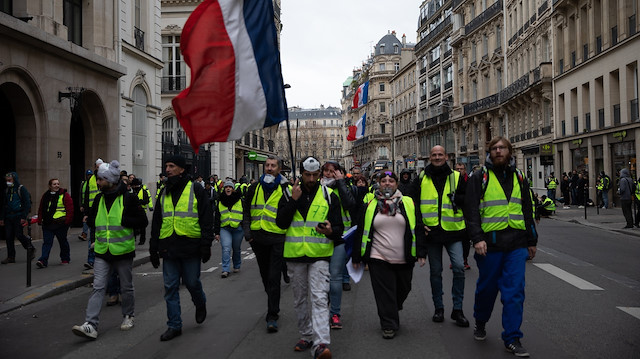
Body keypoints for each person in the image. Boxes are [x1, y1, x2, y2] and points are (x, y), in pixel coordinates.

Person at [464, 136, 538, 357]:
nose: (498, 151)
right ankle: (481, 320)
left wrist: (532, 241)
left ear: (509, 151)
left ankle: (512, 338)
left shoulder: (520, 177)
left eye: (502, 148)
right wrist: (477, 238)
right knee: (487, 289)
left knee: (514, 291)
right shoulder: (480, 177)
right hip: (490, 244)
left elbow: (527, 210)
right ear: (489, 152)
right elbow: (471, 210)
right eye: (494, 148)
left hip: (516, 244)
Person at [72, 160, 148, 340]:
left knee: (126, 286)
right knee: (98, 287)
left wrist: (126, 221)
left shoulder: (129, 198)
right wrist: (93, 229)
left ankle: (128, 315)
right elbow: (92, 220)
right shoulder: (99, 198)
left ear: (110, 180)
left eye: (100, 180)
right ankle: (90, 324)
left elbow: (142, 221)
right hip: (102, 250)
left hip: (122, 250)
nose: (97, 183)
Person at [276, 156, 343, 358]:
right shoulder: (288, 194)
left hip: (320, 256)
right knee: (299, 300)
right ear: (301, 174)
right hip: (295, 256)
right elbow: (281, 223)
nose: (312, 179)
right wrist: (293, 201)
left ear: (320, 174)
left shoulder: (330, 195)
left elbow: (339, 228)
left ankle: (321, 343)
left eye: (315, 175)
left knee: (319, 298)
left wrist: (331, 231)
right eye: (308, 175)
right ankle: (306, 335)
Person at [352, 171, 425, 339]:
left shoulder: (407, 202)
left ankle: (393, 307)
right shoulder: (371, 204)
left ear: (396, 184)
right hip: (378, 257)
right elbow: (361, 229)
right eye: (383, 181)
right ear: (378, 184)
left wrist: (421, 251)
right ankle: (388, 324)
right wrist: (357, 257)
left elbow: (418, 226)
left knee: (404, 288)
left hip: (404, 257)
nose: (387, 183)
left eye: (391, 181)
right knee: (384, 293)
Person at [149, 155, 214, 341]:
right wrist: (153, 249)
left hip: (190, 246)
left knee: (192, 283)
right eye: (166, 166)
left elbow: (206, 218)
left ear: (181, 169)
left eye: (171, 166)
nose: (167, 169)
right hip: (169, 247)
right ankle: (174, 325)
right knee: (170, 287)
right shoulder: (163, 191)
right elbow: (157, 223)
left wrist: (206, 244)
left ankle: (200, 303)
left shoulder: (196, 189)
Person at [410, 145, 469, 327]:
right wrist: (420, 227)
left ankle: (457, 309)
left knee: (459, 267)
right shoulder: (421, 178)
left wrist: (458, 199)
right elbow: (412, 204)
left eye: (440, 154)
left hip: (454, 231)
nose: (437, 157)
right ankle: (439, 308)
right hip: (432, 233)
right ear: (429, 157)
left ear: (446, 157)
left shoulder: (457, 177)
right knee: (436, 272)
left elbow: (468, 200)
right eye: (434, 155)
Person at [242, 155, 290, 333]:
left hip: (277, 239)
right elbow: (246, 210)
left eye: (273, 166)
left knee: (273, 277)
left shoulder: (286, 189)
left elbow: (290, 213)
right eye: (267, 165)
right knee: (265, 276)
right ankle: (272, 302)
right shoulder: (254, 187)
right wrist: (248, 234)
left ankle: (272, 314)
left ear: (279, 169)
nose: (269, 168)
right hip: (258, 239)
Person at [320, 160, 357, 330]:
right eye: (326, 171)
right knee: (321, 279)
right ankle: (321, 311)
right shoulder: (318, 188)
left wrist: (341, 182)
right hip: (321, 237)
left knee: (334, 276)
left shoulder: (344, 187)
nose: (329, 174)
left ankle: (335, 313)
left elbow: (350, 204)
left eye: (333, 171)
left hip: (341, 236)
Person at [35, 178, 74, 268]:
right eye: (54, 184)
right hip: (48, 223)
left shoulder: (64, 195)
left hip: (60, 223)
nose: (57, 185)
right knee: (47, 243)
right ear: (50, 186)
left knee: (62, 241)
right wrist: (40, 219)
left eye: (58, 184)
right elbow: (41, 208)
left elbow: (70, 209)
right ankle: (43, 260)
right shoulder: (45, 196)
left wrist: (67, 222)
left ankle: (65, 258)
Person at [1, 171, 35, 264]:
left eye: (10, 180)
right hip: (9, 216)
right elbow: (4, 205)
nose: (8, 182)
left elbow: (27, 203)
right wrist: (2, 218)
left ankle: (30, 248)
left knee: (19, 234)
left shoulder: (21, 189)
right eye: (7, 180)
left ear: (14, 180)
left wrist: (23, 216)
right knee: (8, 237)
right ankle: (11, 256)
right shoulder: (7, 190)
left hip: (18, 215)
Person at [215, 180, 244, 278]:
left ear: (233, 189)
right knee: (226, 248)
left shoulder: (240, 200)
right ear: (224, 189)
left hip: (238, 228)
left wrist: (246, 229)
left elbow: (245, 215)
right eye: (226, 187)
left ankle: (236, 265)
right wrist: (216, 232)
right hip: (225, 228)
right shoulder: (220, 200)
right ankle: (225, 269)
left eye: (230, 187)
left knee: (236, 249)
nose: (228, 188)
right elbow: (217, 217)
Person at [81, 159, 104, 270]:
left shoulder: (105, 178)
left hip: (103, 211)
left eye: (101, 166)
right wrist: (86, 213)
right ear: (95, 167)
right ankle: (91, 261)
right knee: (92, 238)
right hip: (93, 211)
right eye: (97, 166)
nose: (99, 168)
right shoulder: (91, 180)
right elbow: (86, 196)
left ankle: (100, 260)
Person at [454, 163, 471, 271]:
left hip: (467, 214)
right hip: (454, 214)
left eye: (461, 169)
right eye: (457, 169)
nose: (459, 170)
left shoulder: (470, 181)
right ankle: (456, 260)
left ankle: (464, 259)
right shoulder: (451, 182)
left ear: (465, 170)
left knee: (466, 240)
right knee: (455, 239)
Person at [131, 178, 152, 245]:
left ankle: (142, 240)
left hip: (142, 211)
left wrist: (140, 202)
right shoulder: (132, 191)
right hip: (133, 211)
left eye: (134, 185)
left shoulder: (143, 191)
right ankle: (134, 238)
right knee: (134, 227)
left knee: (142, 227)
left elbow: (147, 201)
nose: (134, 187)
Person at [78, 169, 93, 241]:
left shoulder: (94, 183)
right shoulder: (83, 184)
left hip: (92, 205)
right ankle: (84, 233)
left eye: (90, 175)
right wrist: (81, 205)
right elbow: (81, 195)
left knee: (88, 219)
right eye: (88, 175)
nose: (89, 176)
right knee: (85, 219)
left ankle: (87, 233)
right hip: (85, 205)